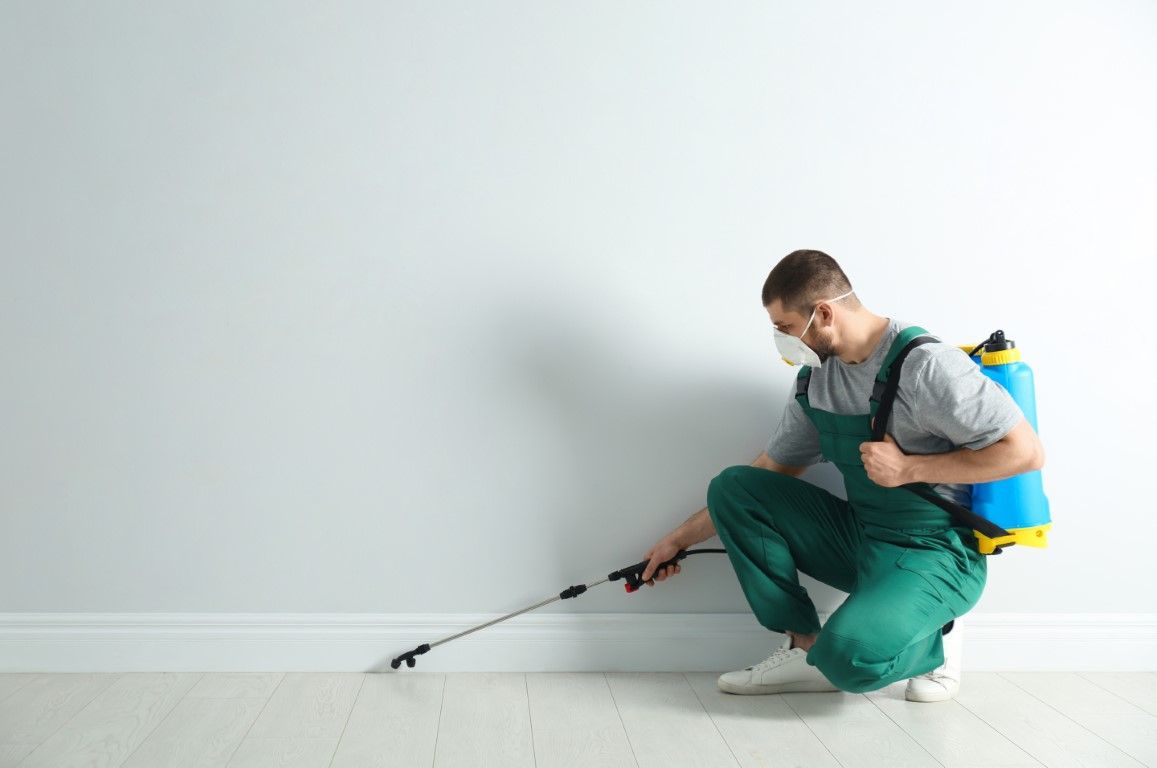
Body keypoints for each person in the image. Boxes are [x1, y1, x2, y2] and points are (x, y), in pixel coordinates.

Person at [640, 249, 1045, 702]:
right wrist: (679, 539)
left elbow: (1025, 452)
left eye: (785, 327)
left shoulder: (927, 366)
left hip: (935, 551)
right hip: (862, 537)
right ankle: (804, 646)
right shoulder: (817, 379)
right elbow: (769, 470)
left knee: (849, 661)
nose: (781, 339)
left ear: (824, 314)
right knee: (734, 487)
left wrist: (910, 468)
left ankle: (938, 636)